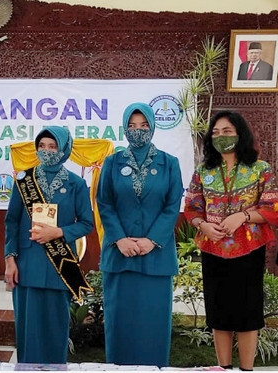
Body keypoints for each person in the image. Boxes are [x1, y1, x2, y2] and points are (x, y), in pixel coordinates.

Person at [184, 111, 278, 371]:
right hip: (213, 248)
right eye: (215, 132)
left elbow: (273, 208)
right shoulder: (204, 171)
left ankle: (246, 369)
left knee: (248, 313)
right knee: (219, 312)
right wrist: (203, 225)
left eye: (227, 131)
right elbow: (191, 207)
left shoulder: (260, 169)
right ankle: (223, 368)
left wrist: (243, 216)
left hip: (249, 250)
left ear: (240, 134)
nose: (220, 137)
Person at [97, 103, 183, 367]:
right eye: (132, 126)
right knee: (120, 323)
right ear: (124, 129)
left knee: (152, 324)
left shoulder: (169, 163)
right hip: (119, 255)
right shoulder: (112, 162)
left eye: (143, 125)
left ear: (153, 127)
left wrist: (151, 240)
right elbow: (104, 203)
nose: (138, 131)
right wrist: (120, 239)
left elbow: (172, 206)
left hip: (156, 257)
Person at [4, 126, 94, 364]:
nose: (46, 151)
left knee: (55, 329)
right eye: (41, 146)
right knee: (28, 331)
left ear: (64, 149)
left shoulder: (75, 183)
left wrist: (60, 232)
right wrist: (10, 259)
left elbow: (87, 223)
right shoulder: (24, 180)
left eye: (52, 146)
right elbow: (11, 222)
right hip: (27, 265)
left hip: (61, 266)